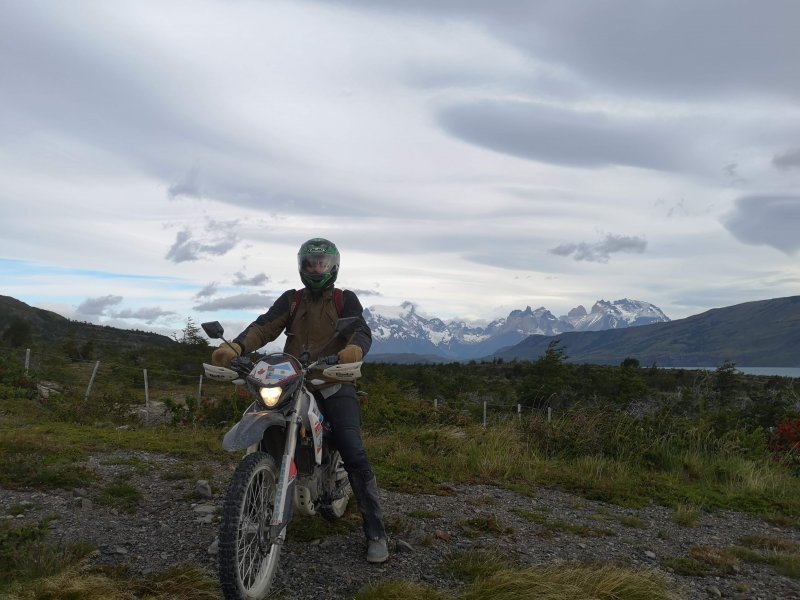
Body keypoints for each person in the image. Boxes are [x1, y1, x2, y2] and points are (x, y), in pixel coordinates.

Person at [210, 238, 389, 564]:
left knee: (352, 450)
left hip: (333, 381)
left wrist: (353, 350)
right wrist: (236, 348)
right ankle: (239, 525)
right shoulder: (291, 300)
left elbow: (360, 330)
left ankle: (375, 531)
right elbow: (265, 326)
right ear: (301, 266)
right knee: (262, 440)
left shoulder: (343, 299)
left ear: (333, 266)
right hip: (291, 381)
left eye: (321, 263)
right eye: (310, 263)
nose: (315, 269)